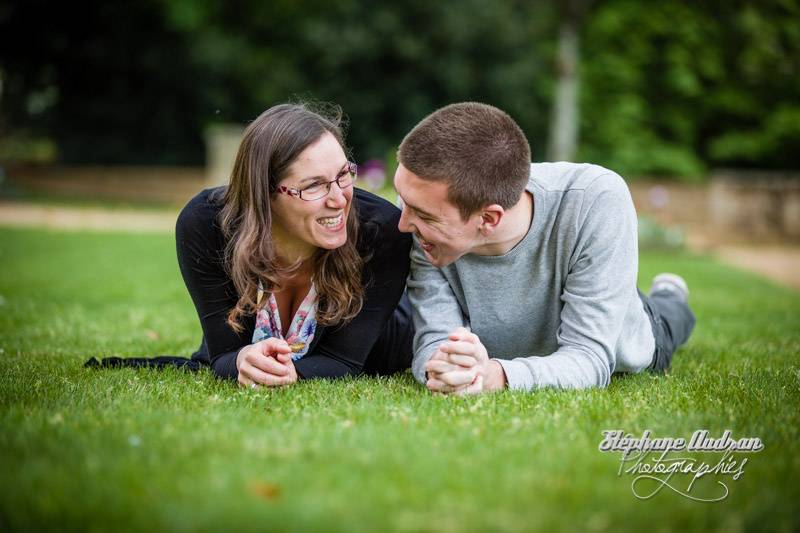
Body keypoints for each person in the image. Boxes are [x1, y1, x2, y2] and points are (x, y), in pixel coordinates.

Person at [88, 103, 414, 386]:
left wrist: (290, 373)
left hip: (382, 348)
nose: (339, 198)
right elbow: (224, 354)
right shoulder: (206, 225)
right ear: (265, 192)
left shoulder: (382, 230)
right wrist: (242, 359)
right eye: (314, 186)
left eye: (344, 175)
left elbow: (344, 361)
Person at [392, 102, 696, 394]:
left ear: (488, 218)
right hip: (521, 335)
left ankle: (670, 295)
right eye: (404, 202)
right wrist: (446, 369)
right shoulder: (423, 215)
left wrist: (495, 376)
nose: (402, 225)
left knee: (668, 318)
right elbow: (434, 340)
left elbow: (589, 358)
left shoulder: (594, 199)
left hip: (625, 330)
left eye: (422, 215)